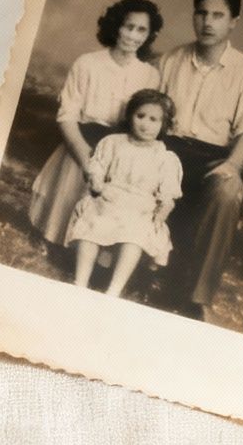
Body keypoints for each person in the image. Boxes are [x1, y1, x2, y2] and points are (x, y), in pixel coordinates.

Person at [155, 0, 243, 319]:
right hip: (169, 150)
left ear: (233, 21)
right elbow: (150, 111)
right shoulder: (172, 59)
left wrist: (233, 165)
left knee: (226, 191)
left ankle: (197, 297)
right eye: (202, 13)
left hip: (214, 156)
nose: (208, 22)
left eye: (218, 15)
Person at [25, 0, 162, 250]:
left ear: (149, 35)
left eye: (141, 30)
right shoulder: (87, 63)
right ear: (115, 26)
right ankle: (55, 237)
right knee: (78, 184)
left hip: (120, 150)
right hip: (82, 141)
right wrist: (86, 159)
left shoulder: (150, 75)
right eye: (127, 26)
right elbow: (67, 116)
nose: (132, 35)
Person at [65, 88, 185, 296]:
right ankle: (80, 281)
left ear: (163, 125)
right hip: (109, 200)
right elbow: (98, 166)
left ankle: (114, 289)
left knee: (135, 237)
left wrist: (163, 209)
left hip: (140, 209)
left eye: (153, 120)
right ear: (130, 115)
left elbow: (168, 192)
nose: (145, 124)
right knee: (92, 226)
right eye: (140, 116)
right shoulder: (113, 143)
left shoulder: (165, 158)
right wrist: (97, 181)